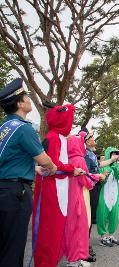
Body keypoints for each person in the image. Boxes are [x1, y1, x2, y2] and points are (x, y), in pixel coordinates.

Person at [0, 78, 57, 267]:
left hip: (4, 188)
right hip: (15, 192)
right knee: (14, 246)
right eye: (26, 97)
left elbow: (8, 158)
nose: (29, 100)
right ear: (19, 103)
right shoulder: (24, 129)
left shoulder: (3, 128)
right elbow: (44, 158)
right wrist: (52, 167)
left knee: (3, 242)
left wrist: (33, 168)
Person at [32, 102, 85, 267]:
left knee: (56, 230)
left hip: (59, 188)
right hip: (51, 190)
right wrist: (72, 169)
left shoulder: (59, 137)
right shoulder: (54, 138)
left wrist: (70, 169)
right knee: (50, 231)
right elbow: (53, 165)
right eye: (70, 118)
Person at [63, 132, 105, 267]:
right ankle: (75, 260)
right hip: (80, 194)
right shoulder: (79, 159)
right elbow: (85, 179)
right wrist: (97, 178)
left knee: (72, 227)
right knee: (80, 227)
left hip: (71, 195)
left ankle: (73, 257)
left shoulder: (68, 158)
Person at [83, 130, 118, 259]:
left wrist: (112, 160)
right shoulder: (85, 154)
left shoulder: (91, 153)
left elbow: (98, 165)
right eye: (92, 138)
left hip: (94, 187)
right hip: (89, 189)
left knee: (90, 218)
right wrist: (100, 176)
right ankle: (83, 247)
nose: (95, 140)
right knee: (87, 218)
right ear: (87, 141)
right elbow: (85, 173)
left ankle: (85, 245)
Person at [97, 147, 119, 247]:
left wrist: (116, 168)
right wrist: (105, 175)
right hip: (105, 195)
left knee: (115, 216)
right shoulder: (103, 166)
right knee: (102, 215)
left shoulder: (117, 165)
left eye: (116, 154)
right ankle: (103, 237)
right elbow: (101, 181)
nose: (115, 156)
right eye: (113, 154)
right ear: (109, 155)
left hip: (115, 195)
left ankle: (111, 235)